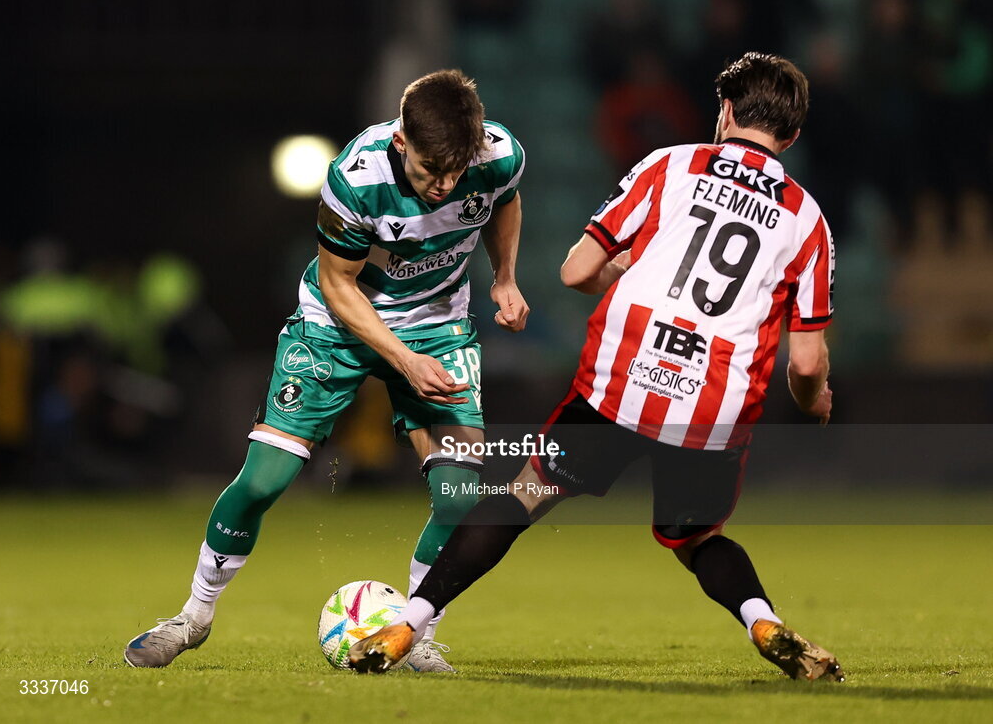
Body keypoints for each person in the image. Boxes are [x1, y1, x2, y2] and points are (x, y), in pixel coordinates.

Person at [349, 53, 844, 682]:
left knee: (522, 496)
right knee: (695, 539)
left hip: (623, 382)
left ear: (726, 112)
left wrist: (626, 268)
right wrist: (816, 400)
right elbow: (805, 361)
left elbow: (577, 270)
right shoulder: (808, 221)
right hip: (711, 404)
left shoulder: (671, 165)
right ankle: (759, 619)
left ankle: (409, 621)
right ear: (792, 135)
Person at [124, 69, 528, 672]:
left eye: (454, 173)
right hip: (337, 325)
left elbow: (504, 203)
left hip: (438, 325)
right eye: (428, 172)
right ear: (400, 142)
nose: (444, 188)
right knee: (262, 481)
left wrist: (504, 277)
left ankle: (414, 634)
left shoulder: (497, 157)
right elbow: (340, 287)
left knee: (460, 498)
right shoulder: (356, 177)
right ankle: (194, 615)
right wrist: (403, 360)